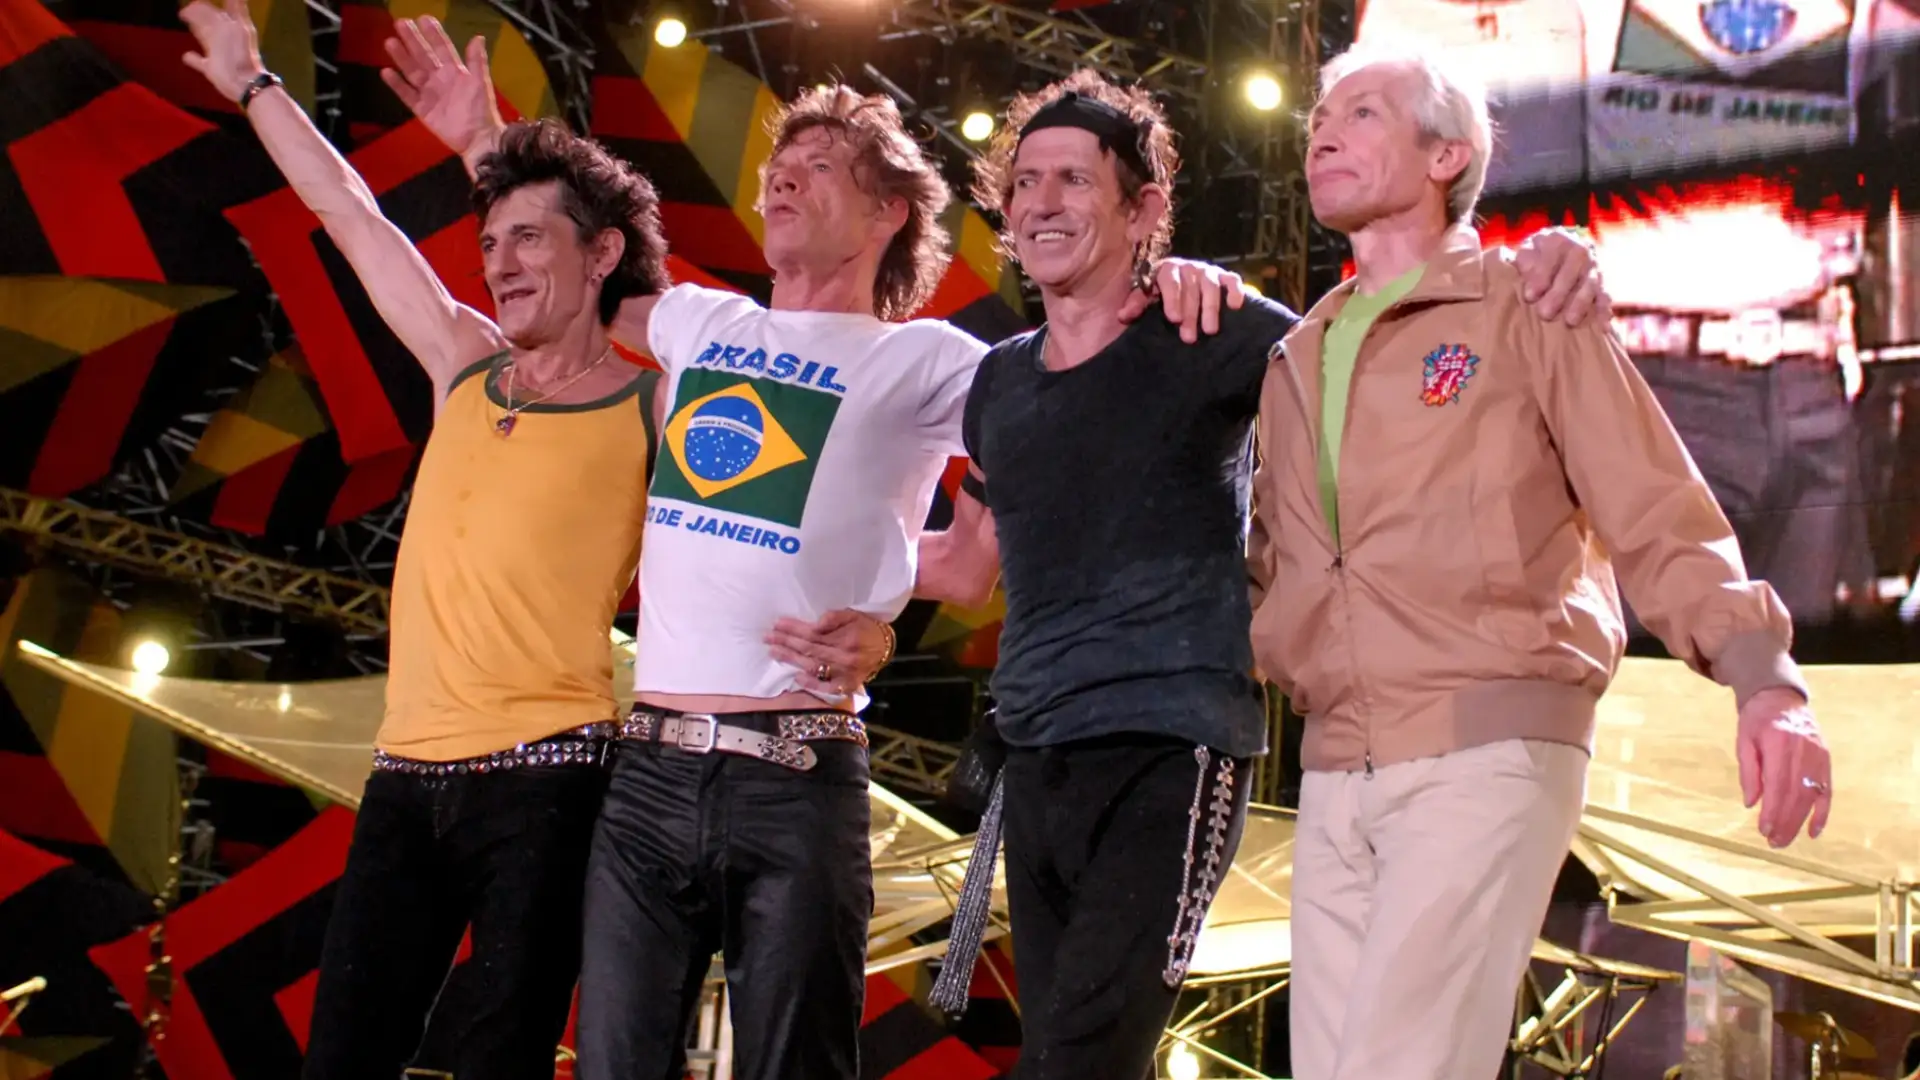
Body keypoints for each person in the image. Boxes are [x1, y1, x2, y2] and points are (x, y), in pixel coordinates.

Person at [378, 29, 1252, 1078]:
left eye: (818, 169)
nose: (781, 181)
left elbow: (1002, 528)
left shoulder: (931, 360)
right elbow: (569, 259)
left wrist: (1186, 279)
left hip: (795, 775)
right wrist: (482, 137)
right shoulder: (696, 321)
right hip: (648, 773)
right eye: (776, 172)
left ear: (889, 213)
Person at [178, 6, 888, 1078]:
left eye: (528, 239)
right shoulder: (460, 360)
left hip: (553, 785)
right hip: (403, 780)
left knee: (498, 1059)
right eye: (490, 242)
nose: (500, 262)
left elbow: (799, 509)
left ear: (603, 254)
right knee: (340, 1059)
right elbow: (348, 210)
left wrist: (875, 621)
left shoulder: (659, 403)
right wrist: (252, 83)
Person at [912, 69, 1613, 1080]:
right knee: (1070, 1052)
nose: (1042, 203)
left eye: (1073, 179)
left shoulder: (1219, 333)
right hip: (1035, 755)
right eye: (1025, 181)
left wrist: (1553, 261)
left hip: (1172, 745)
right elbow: (967, 564)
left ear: (1143, 207)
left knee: (1073, 1063)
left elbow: (1383, 351)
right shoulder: (1000, 381)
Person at [1246, 42, 1835, 1080]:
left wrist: (1761, 675)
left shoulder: (1528, 302)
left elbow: (1652, 498)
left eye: (1366, 112)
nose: (1325, 132)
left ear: (1448, 157)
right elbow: (1272, 570)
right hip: (1335, 770)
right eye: (1320, 118)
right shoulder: (1294, 359)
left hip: (1488, 745)